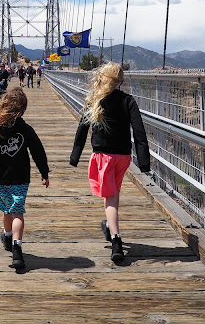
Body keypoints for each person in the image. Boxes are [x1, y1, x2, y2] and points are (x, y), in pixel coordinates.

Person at [69, 61, 150, 263]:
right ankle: (109, 224)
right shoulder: (128, 100)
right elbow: (139, 133)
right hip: (123, 157)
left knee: (110, 199)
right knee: (114, 192)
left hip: (103, 157)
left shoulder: (95, 100)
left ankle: (116, 241)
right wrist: (144, 162)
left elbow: (82, 129)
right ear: (121, 81)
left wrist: (75, 156)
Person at [0, 88, 50, 270]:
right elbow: (38, 152)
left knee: (7, 208)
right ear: (22, 110)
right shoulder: (26, 129)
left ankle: (8, 235)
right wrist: (44, 172)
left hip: (3, 178)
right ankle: (17, 248)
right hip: (21, 179)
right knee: (18, 212)